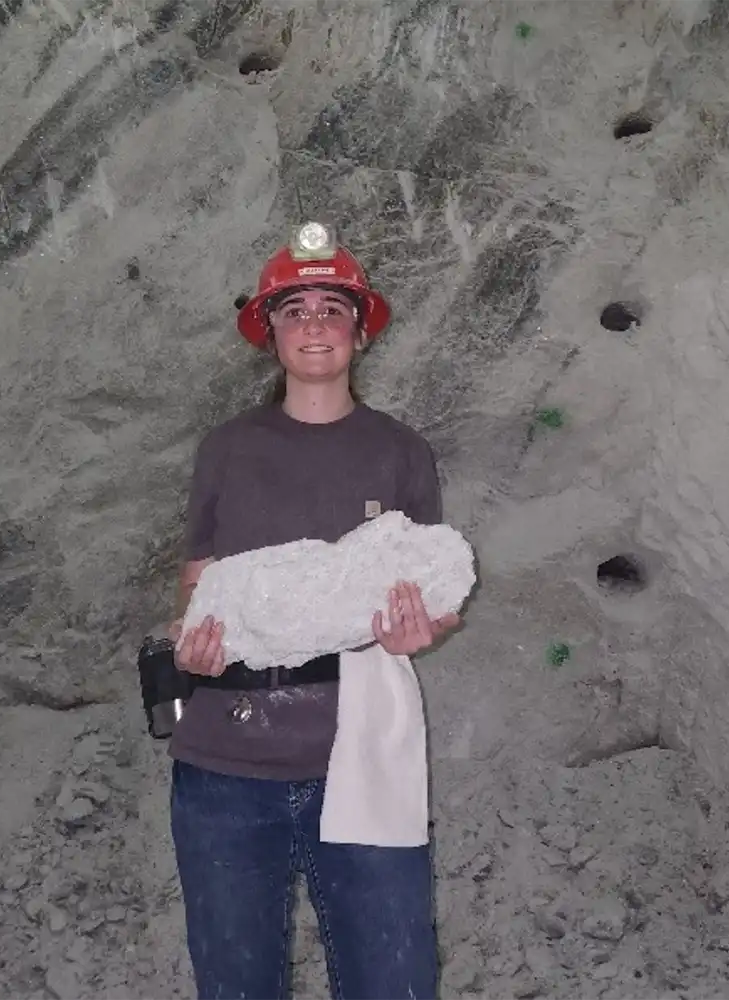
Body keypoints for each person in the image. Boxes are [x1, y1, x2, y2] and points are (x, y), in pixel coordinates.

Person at [167, 222, 461, 1000]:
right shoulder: (227, 448)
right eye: (294, 311)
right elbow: (197, 588)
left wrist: (422, 630)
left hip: (361, 754)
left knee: (392, 983)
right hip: (225, 764)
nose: (314, 324)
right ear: (270, 335)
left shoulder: (400, 452)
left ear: (361, 331)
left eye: (333, 308)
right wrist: (188, 644)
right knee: (237, 985)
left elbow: (434, 596)